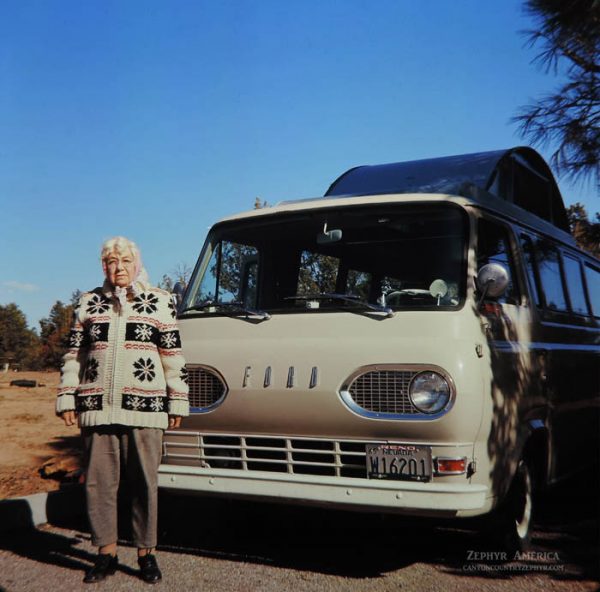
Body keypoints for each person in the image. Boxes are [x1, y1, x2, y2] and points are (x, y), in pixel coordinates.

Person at [56, 236, 189, 584]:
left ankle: (146, 554)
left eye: (125, 261)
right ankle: (106, 553)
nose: (119, 269)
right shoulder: (88, 303)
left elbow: (173, 358)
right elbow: (74, 356)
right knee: (99, 484)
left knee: (144, 483)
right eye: (112, 262)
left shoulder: (160, 302)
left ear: (137, 263)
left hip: (145, 408)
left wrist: (177, 398)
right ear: (104, 266)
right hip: (97, 406)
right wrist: (67, 396)